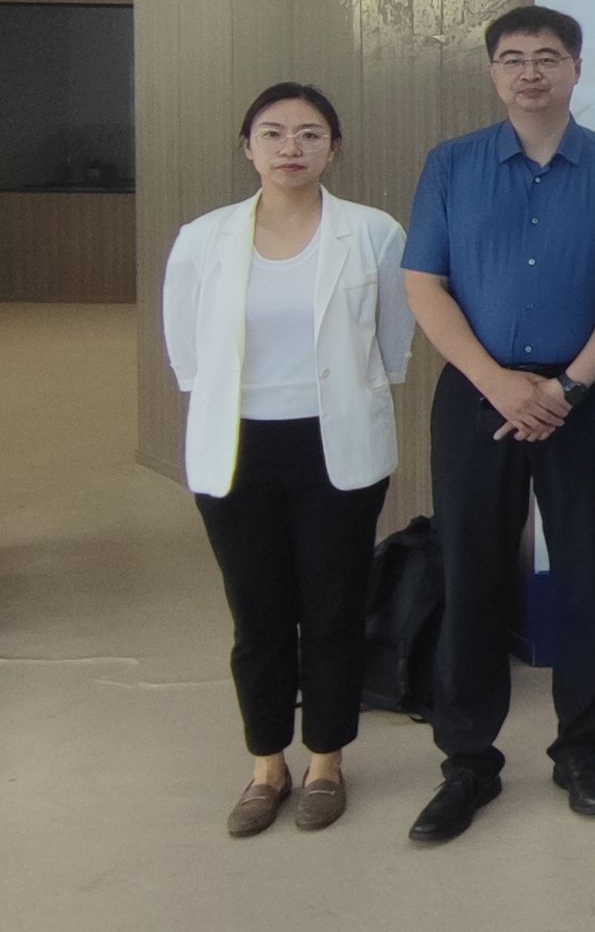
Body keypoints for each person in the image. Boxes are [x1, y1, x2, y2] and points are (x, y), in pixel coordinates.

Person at [400, 5, 595, 843]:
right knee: (471, 573)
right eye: (513, 58)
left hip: (586, 400)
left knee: (585, 579)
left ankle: (580, 749)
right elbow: (424, 283)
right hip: (480, 394)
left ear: (577, 67)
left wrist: (568, 386)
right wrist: (499, 383)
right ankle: (468, 760)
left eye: (548, 56)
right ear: (493, 72)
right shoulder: (452, 164)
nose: (530, 72)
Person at [163, 82, 414, 836]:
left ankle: (326, 760)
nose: (290, 148)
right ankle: (266, 764)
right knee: (258, 612)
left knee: (333, 609)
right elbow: (187, 352)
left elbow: (392, 344)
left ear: (333, 147)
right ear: (248, 148)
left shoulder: (373, 232)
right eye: (272, 133)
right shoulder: (204, 237)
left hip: (335, 443)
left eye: (309, 133)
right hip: (238, 446)